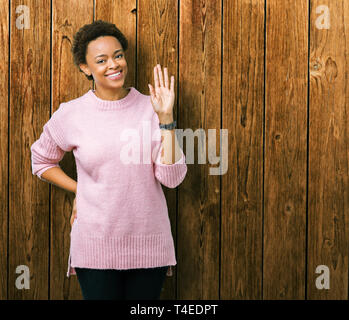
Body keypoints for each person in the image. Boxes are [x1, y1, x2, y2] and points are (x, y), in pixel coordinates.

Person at [30, 20, 187, 300]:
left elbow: (172, 179)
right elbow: (41, 161)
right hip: (95, 247)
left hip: (149, 247)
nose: (113, 65)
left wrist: (166, 119)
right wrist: (81, 189)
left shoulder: (151, 108)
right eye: (101, 60)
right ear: (85, 68)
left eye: (118, 56)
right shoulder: (71, 114)